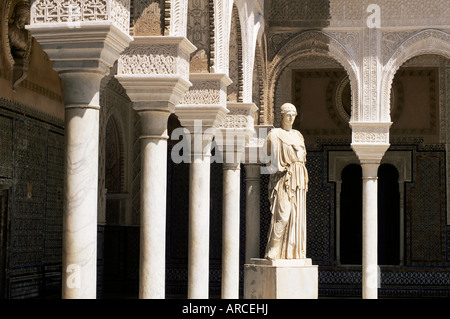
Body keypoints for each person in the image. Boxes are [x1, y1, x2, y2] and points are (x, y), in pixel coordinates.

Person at [264, 102, 308, 260]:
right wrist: (275, 168)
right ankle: (274, 249)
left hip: (299, 178)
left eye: (293, 114)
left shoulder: (298, 135)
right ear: (281, 115)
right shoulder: (274, 134)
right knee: (283, 214)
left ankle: (293, 252)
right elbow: (266, 158)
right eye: (288, 114)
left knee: (296, 215)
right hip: (284, 178)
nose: (291, 117)